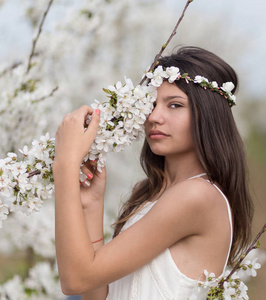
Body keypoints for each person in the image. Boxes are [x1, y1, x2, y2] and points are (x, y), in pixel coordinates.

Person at [53, 46, 253, 299]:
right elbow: (95, 293)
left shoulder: (197, 196)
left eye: (175, 105)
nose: (155, 116)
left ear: (209, 116)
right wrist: (92, 205)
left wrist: (65, 167)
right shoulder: (150, 192)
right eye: (152, 104)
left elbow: (75, 281)